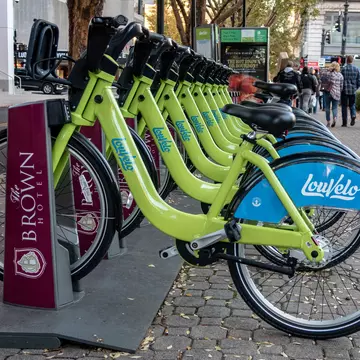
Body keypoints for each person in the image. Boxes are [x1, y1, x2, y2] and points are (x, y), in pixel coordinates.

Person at [321, 62, 344, 128]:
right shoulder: (340, 75)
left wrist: (328, 70)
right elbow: (341, 86)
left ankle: (328, 122)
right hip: (336, 93)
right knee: (335, 107)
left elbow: (321, 78)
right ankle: (335, 118)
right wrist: (339, 91)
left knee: (327, 107)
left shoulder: (327, 73)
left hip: (327, 92)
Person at [341, 55, 360, 126]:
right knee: (352, 104)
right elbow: (359, 80)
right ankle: (353, 115)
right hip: (353, 90)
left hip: (344, 90)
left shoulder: (343, 69)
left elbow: (341, 80)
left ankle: (344, 122)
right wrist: (355, 88)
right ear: (352, 60)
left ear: (346, 60)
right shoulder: (356, 69)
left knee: (344, 106)